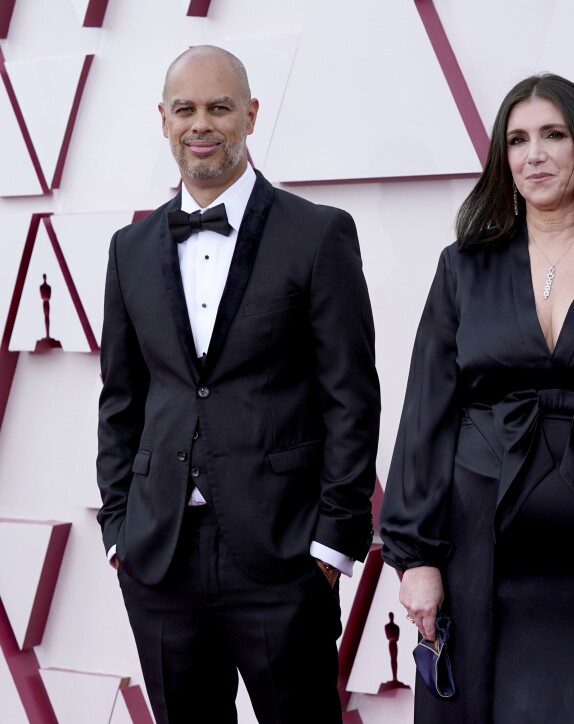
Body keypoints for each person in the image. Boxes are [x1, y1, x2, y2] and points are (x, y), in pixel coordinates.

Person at [96, 45, 380, 723]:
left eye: (219, 107)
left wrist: (331, 545)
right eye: (185, 109)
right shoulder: (127, 250)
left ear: (250, 115)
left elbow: (351, 396)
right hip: (159, 556)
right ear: (162, 120)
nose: (202, 124)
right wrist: (118, 530)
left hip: (282, 555)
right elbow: (120, 399)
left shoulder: (317, 234)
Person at [379, 73, 574, 724]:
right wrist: (415, 559)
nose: (533, 154)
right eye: (517, 140)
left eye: (553, 135)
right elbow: (426, 414)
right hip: (478, 542)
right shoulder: (464, 265)